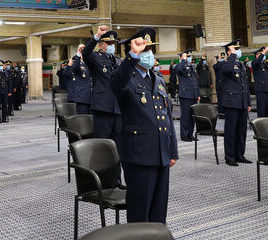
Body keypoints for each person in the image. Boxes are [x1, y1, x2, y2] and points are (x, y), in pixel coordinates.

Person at [111, 28, 178, 223]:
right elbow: (117, 84)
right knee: (140, 212)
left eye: (150, 49)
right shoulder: (125, 78)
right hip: (139, 156)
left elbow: (166, 116)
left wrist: (172, 151)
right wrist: (132, 56)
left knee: (159, 211)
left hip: (161, 155)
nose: (148, 54)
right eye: (144, 50)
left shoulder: (157, 79)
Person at [82, 25, 123, 186]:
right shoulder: (96, 58)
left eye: (113, 43)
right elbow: (85, 53)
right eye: (108, 43)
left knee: (118, 147)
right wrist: (96, 36)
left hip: (118, 108)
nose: (112, 46)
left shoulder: (118, 61)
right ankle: (101, 181)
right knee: (102, 146)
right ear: (101, 45)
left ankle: (116, 179)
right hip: (103, 109)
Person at [220, 39, 252, 166]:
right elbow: (227, 71)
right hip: (231, 102)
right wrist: (232, 55)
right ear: (229, 52)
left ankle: (240, 154)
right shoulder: (225, 64)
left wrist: (248, 102)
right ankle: (230, 157)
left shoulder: (240, 65)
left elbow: (245, 85)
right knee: (231, 131)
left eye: (238, 50)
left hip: (242, 102)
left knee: (241, 131)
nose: (238, 52)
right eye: (235, 49)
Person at [176, 48, 200, 141]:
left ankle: (190, 134)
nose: (189, 58)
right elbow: (179, 69)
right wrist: (183, 60)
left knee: (192, 116)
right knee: (186, 116)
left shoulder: (191, 66)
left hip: (193, 94)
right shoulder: (180, 66)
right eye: (188, 56)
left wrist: (197, 93)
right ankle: (185, 135)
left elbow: (195, 81)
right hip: (185, 94)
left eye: (190, 56)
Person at [66, 44, 92, 114]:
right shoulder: (77, 64)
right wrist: (78, 54)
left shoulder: (90, 64)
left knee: (93, 121)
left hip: (93, 97)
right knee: (83, 120)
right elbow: (74, 69)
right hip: (82, 97)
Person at [252, 46, 268, 118]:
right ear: (256, 56)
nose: (262, 56)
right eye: (259, 54)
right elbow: (257, 61)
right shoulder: (254, 63)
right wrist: (263, 52)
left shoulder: (264, 65)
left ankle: (266, 125)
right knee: (261, 110)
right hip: (261, 90)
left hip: (267, 90)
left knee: (267, 110)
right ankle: (261, 126)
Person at [0, 59, 10, 123]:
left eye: (2, 65)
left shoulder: (5, 73)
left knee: (5, 106)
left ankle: (4, 118)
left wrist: (8, 91)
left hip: (5, 92)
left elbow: (7, 83)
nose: (1, 67)